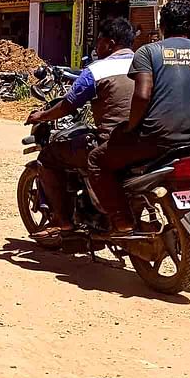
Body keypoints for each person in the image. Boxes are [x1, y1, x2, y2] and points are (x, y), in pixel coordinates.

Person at [87, 0, 190, 236]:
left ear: (161, 24)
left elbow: (142, 96)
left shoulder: (148, 52)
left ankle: (121, 219)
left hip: (153, 140)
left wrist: (131, 127)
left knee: (96, 160)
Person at [26, 17, 137, 239]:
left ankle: (64, 223)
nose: (96, 47)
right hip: (146, 140)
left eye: (99, 42)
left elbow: (68, 105)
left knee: (49, 157)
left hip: (112, 143)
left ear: (110, 43)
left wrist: (42, 116)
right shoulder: (146, 63)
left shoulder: (97, 69)